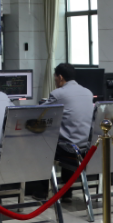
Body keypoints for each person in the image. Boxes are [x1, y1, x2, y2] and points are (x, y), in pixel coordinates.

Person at [33, 63, 94, 202]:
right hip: (86, 148)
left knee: (43, 146)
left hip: (69, 149)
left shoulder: (58, 94)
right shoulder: (88, 92)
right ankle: (67, 191)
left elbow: (39, 112)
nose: (55, 80)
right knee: (68, 136)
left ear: (60, 77)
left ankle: (43, 191)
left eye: (55, 77)